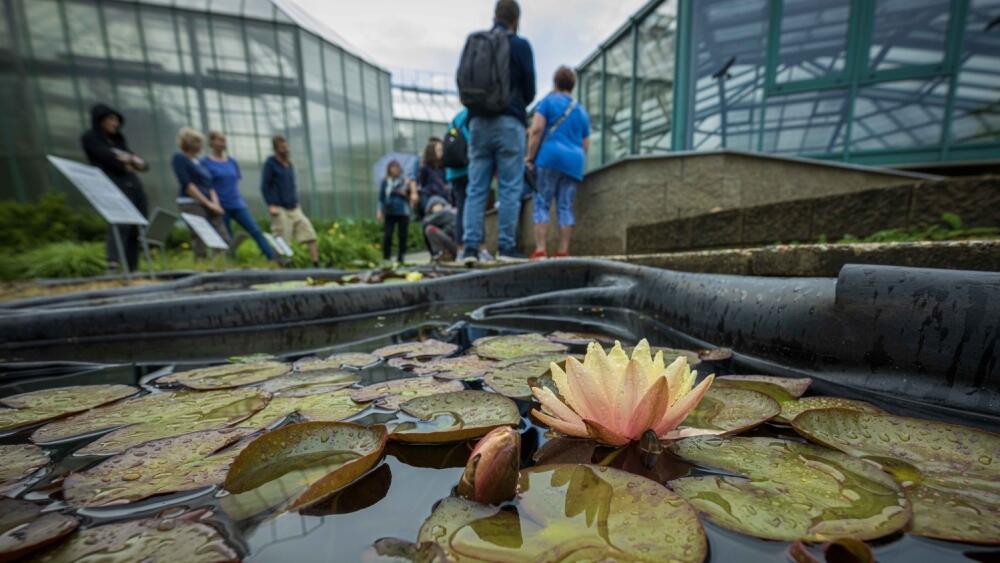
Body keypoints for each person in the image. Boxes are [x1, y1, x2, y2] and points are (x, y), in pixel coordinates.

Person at [459, 0, 536, 264]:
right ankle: (506, 247)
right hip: (508, 121)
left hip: (478, 122)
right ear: (516, 19)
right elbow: (530, 90)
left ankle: (470, 248)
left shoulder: (477, 42)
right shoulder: (520, 46)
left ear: (495, 16)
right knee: (510, 186)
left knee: (476, 187)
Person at [525, 66, 591, 259]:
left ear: (555, 82)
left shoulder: (547, 102)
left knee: (542, 203)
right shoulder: (581, 110)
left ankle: (540, 250)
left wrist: (530, 157)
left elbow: (536, 130)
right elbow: (585, 143)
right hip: (573, 163)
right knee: (565, 206)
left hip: (549, 159)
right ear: (573, 85)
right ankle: (563, 251)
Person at [80, 104, 149, 272]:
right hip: (112, 185)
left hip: (132, 185)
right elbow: (107, 157)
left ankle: (132, 267)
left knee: (136, 225)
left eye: (117, 120)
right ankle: (113, 263)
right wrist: (127, 160)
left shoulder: (119, 140)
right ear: (101, 120)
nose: (115, 123)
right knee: (120, 223)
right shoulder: (91, 137)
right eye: (111, 119)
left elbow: (143, 164)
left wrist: (127, 159)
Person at [201, 131, 275, 260]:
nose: (223, 143)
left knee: (255, 230)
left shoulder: (232, 162)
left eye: (224, 140)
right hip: (220, 207)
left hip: (237, 204)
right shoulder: (205, 163)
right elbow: (206, 186)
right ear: (211, 142)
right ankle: (232, 263)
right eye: (219, 140)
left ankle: (273, 258)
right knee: (227, 238)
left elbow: (234, 182)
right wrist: (213, 205)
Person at [172, 127, 231, 257]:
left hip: (209, 202)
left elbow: (210, 184)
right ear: (186, 142)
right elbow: (188, 185)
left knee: (221, 234)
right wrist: (208, 204)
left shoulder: (199, 162)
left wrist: (215, 204)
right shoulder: (180, 159)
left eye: (199, 142)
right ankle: (202, 266)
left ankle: (221, 262)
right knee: (200, 237)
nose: (199, 145)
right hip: (191, 203)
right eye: (195, 141)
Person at [262, 135, 319, 267]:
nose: (286, 150)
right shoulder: (270, 164)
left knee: (309, 233)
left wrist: (296, 202)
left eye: (286, 147)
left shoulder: (289, 165)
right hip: (279, 207)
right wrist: (270, 204)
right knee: (282, 238)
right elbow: (265, 186)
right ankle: (281, 265)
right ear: (276, 149)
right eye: (282, 147)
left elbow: (292, 185)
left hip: (293, 206)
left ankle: (316, 263)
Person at [377, 160, 417, 265]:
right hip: (389, 212)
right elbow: (381, 197)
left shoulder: (404, 181)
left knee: (402, 235)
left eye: (397, 167)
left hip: (403, 211)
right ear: (389, 169)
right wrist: (380, 210)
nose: (395, 169)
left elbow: (412, 197)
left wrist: (405, 193)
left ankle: (401, 257)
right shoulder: (385, 182)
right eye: (393, 167)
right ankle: (386, 257)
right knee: (388, 235)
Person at [444, 108, 470, 250]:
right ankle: (474, 246)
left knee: (461, 209)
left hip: (454, 171)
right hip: (468, 168)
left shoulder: (456, 118)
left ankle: (460, 248)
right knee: (473, 207)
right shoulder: (472, 114)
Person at [423, 195, 459, 262]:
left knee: (430, 229)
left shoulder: (445, 213)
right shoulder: (453, 211)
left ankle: (440, 255)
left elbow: (425, 223)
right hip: (460, 248)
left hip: (457, 247)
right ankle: (442, 255)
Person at [417, 137, 450, 211]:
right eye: (439, 150)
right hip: (430, 197)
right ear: (431, 152)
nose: (442, 152)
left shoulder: (444, 168)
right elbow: (422, 183)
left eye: (442, 150)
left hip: (443, 197)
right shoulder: (425, 168)